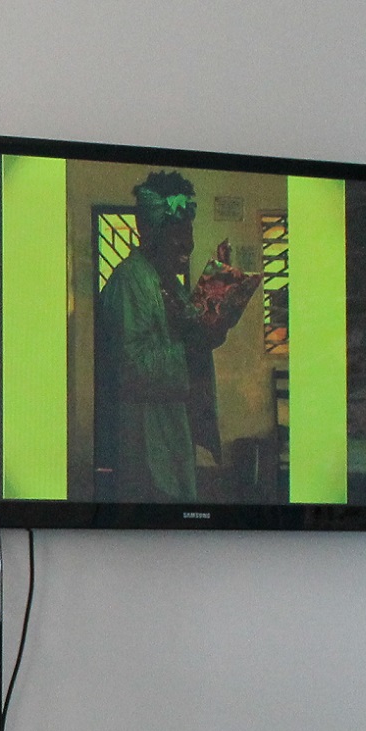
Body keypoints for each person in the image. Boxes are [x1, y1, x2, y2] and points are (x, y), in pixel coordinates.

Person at [93, 170, 252, 502]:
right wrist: (193, 344)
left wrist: (220, 294)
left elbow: (194, 334)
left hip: (175, 430)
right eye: (178, 233)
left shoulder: (168, 283)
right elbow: (131, 369)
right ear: (151, 233)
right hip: (146, 436)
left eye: (189, 231)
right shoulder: (131, 281)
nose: (188, 243)